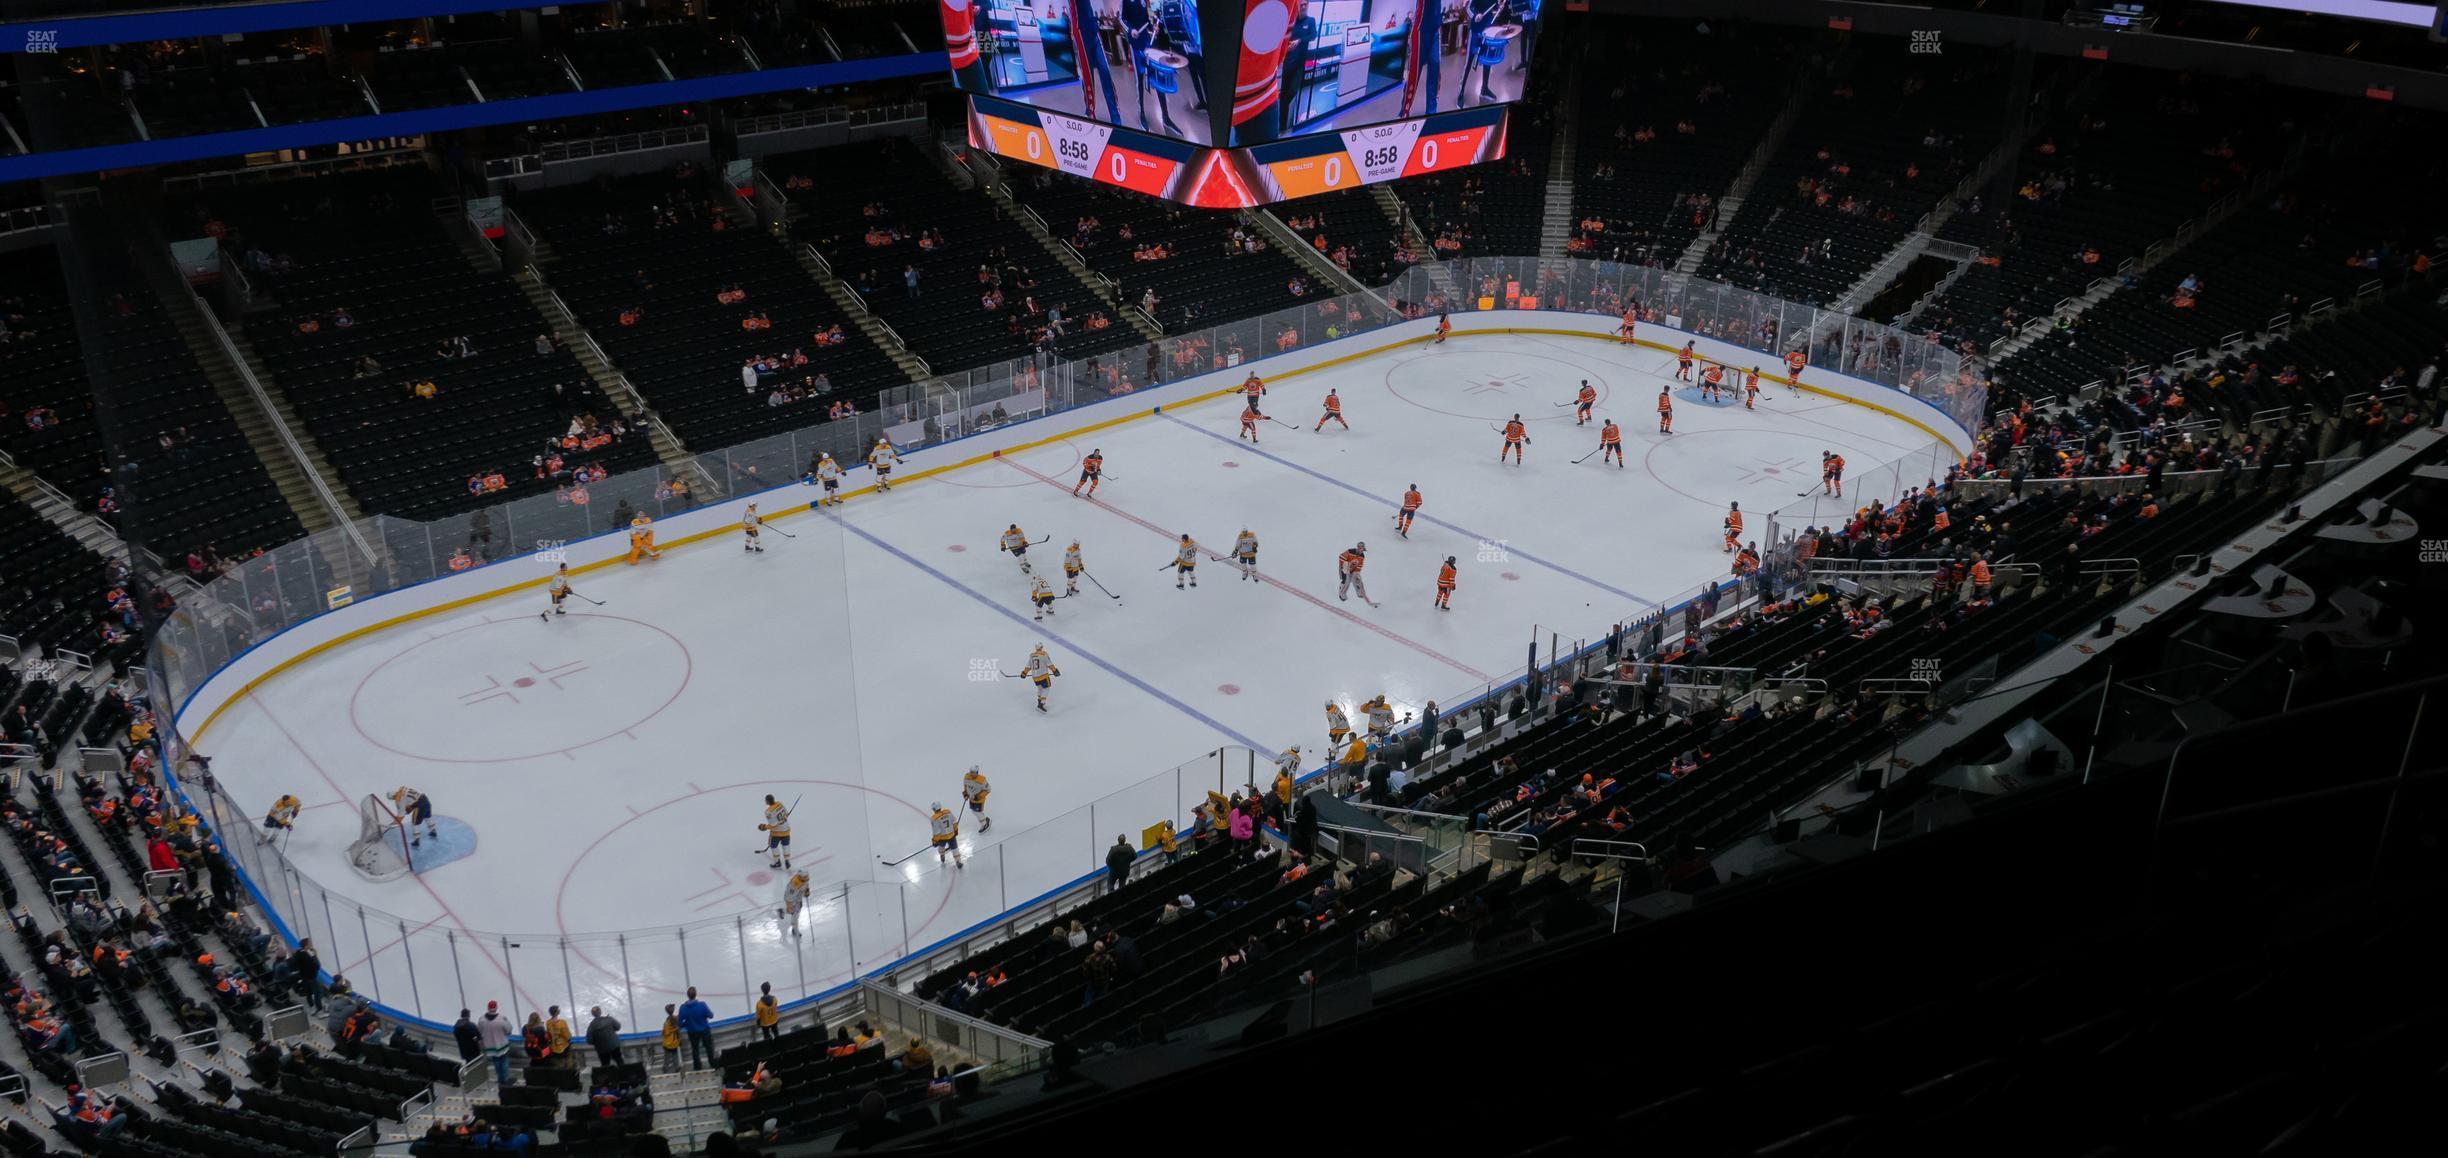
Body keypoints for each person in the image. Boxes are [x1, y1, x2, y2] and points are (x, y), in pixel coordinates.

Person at [677, 987, 714, 1069]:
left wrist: (687, 1023)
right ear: (695, 994)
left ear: (688, 995)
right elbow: (711, 1015)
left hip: (692, 1032)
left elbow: (679, 1023)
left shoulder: (683, 1008)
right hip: (704, 1030)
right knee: (709, 1048)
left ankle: (697, 1067)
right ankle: (713, 1064)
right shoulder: (702, 1005)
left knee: (695, 1050)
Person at [478, 1000, 513, 1086]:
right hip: (502, 1045)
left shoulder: (482, 1019)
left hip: (490, 1046)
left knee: (496, 1062)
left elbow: (479, 1031)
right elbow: (508, 1030)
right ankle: (505, 1079)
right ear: (496, 1007)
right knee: (504, 1062)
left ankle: (500, 1079)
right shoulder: (501, 1018)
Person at [661, 1004, 682, 1073]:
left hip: (667, 1043)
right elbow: (678, 1033)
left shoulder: (666, 1023)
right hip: (674, 1043)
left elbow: (664, 1033)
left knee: (667, 1057)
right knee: (675, 1056)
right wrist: (679, 1040)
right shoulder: (676, 1020)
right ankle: (676, 1067)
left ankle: (665, 1067)